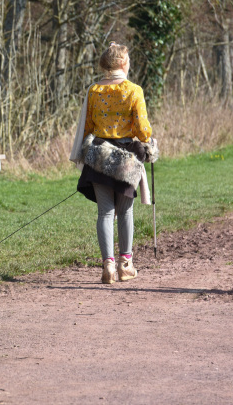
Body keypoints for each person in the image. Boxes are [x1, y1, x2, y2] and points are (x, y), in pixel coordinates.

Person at [69, 42, 158, 284]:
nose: (129, 63)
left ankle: (108, 266)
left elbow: (87, 127)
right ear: (121, 63)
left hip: (98, 154)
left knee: (105, 212)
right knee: (125, 211)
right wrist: (150, 141)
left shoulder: (94, 90)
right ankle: (125, 264)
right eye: (127, 60)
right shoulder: (133, 90)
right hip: (126, 156)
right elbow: (141, 128)